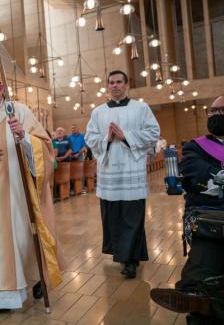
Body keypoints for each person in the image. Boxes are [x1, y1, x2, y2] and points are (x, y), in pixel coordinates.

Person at [0, 50, 62, 321]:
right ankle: (1, 298)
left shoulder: (19, 111)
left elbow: (46, 147)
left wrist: (25, 139)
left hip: (18, 194)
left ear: (1, 88)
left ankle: (36, 278)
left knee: (23, 241)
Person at [151, 96, 224, 324]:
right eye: (212, 112)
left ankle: (201, 298)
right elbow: (193, 171)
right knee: (206, 253)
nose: (216, 115)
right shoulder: (196, 145)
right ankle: (194, 295)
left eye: (221, 110)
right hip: (209, 216)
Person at [85, 70, 160, 279]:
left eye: (119, 82)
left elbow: (154, 133)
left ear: (127, 85)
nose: (115, 86)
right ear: (107, 87)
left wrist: (125, 135)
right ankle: (121, 255)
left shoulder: (141, 108)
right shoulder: (98, 112)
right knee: (114, 218)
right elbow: (89, 138)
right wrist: (107, 139)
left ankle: (131, 260)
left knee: (132, 217)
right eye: (111, 83)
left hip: (131, 172)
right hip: (109, 174)